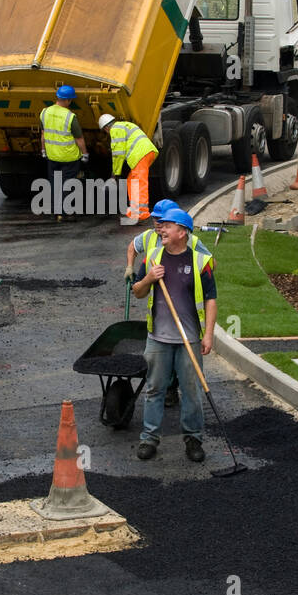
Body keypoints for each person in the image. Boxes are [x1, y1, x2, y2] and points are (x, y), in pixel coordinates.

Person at [130, 208, 217, 463]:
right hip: (158, 339)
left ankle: (193, 439)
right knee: (155, 388)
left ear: (182, 232)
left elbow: (211, 300)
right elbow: (137, 291)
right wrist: (148, 278)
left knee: (191, 390)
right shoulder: (153, 257)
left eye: (167, 226)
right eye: (161, 225)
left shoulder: (201, 262)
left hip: (189, 339)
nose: (161, 229)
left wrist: (208, 335)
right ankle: (149, 438)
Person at [98, 113, 157, 226]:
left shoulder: (115, 130)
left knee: (139, 183)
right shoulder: (124, 125)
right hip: (145, 153)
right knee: (132, 181)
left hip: (140, 154)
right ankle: (135, 212)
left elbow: (118, 154)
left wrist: (114, 175)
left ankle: (142, 214)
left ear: (106, 128)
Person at [40, 85, 88, 219]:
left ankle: (57, 211)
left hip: (52, 156)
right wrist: (85, 154)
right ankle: (67, 211)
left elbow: (43, 135)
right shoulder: (70, 116)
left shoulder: (45, 112)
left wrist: (43, 150)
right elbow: (79, 139)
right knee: (68, 184)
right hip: (69, 157)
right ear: (68, 101)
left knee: (55, 183)